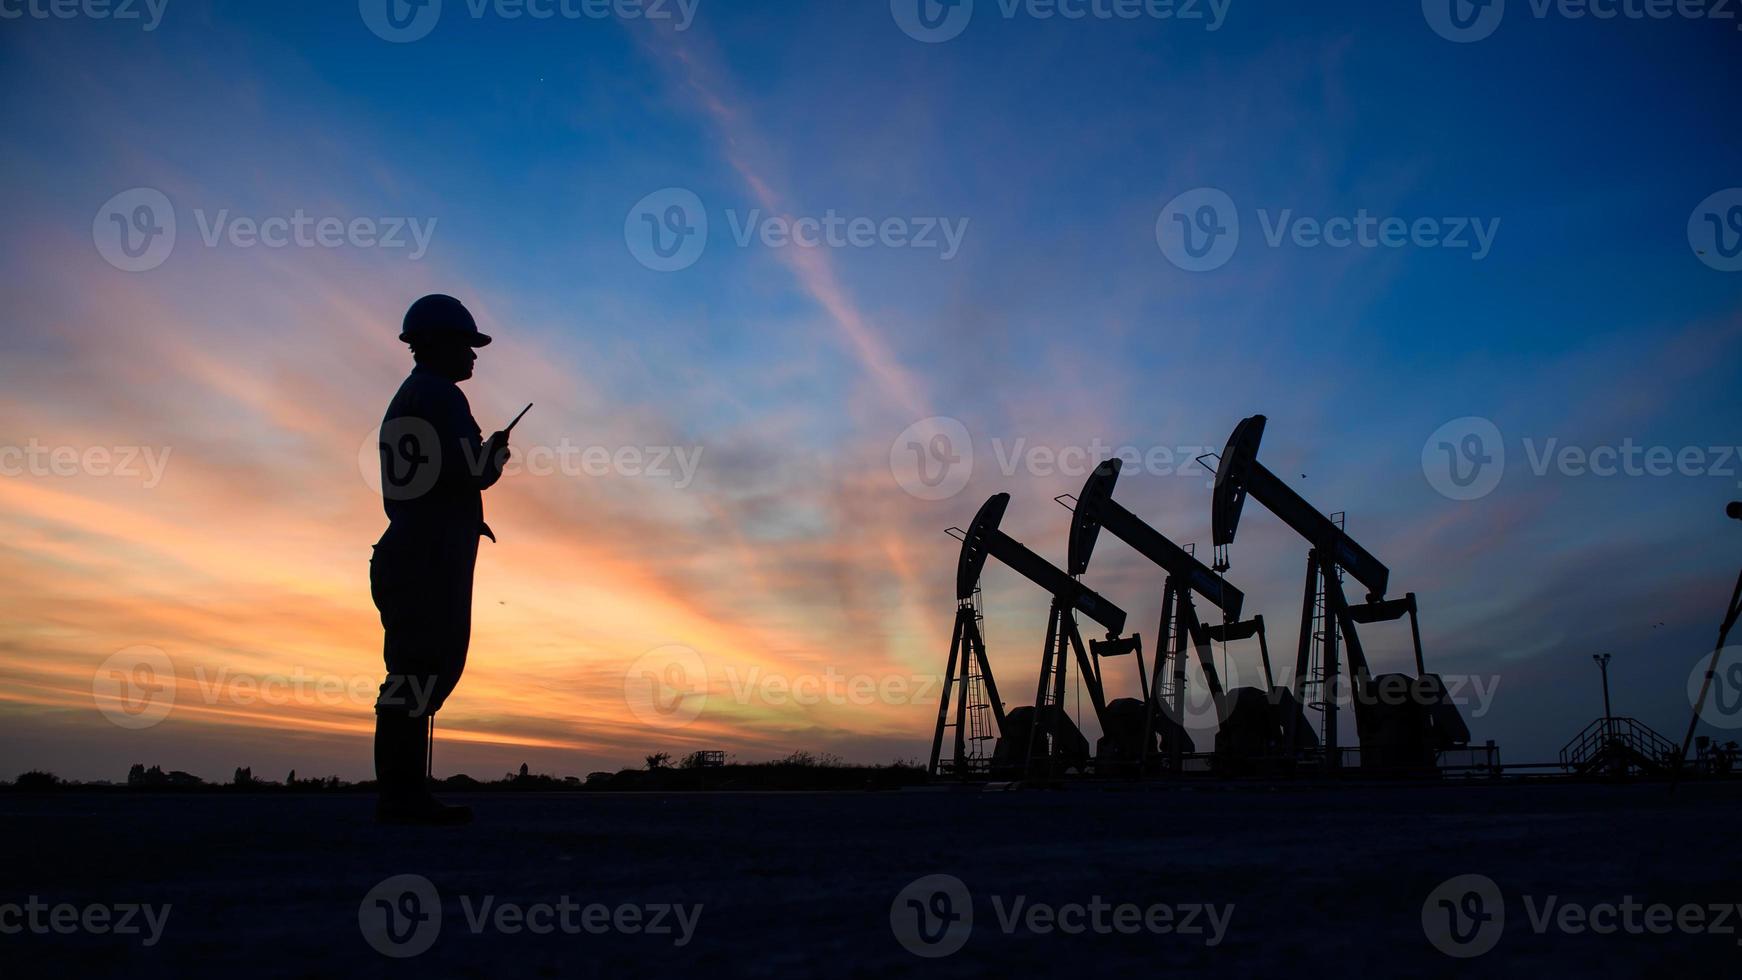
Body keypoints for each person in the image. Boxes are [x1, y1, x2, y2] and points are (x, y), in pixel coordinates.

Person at [370, 294, 511, 825]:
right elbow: (471, 468)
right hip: (426, 554)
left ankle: (404, 793)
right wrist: (494, 453)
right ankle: (401, 797)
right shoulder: (440, 396)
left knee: (415, 669)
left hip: (415, 546)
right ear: (437, 344)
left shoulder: (413, 395)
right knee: (415, 673)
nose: (474, 356)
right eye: (467, 346)